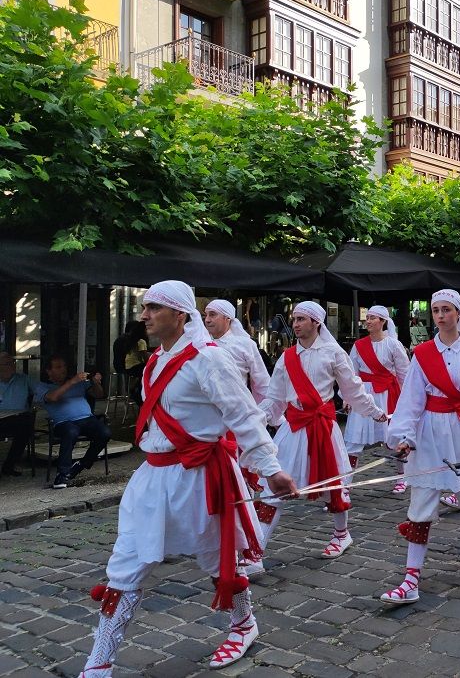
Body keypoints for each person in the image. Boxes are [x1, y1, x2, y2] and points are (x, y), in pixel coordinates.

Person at [78, 281, 298, 675]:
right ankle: (98, 665)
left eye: (153, 308)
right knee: (125, 565)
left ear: (180, 315)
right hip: (153, 476)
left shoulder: (209, 359)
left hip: (199, 478)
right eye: (144, 307)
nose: (143, 315)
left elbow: (244, 416)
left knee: (218, 559)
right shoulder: (154, 361)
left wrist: (272, 470)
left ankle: (244, 624)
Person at [380, 289, 460, 605]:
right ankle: (410, 579)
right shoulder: (422, 353)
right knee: (421, 505)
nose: (439, 315)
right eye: (435, 310)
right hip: (429, 434)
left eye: (446, 310)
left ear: (457, 314)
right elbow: (411, 398)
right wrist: (403, 437)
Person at [252, 302, 387, 570]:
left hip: (323, 429)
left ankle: (342, 534)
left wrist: (376, 413)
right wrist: (251, 421)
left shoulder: (333, 353)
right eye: (294, 319)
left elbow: (352, 390)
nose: (296, 324)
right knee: (272, 490)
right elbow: (274, 399)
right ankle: (255, 554)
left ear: (316, 323)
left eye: (301, 319)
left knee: (332, 485)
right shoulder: (286, 357)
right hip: (292, 430)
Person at [344, 306, 409, 493]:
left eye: (373, 318)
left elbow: (404, 373)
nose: (369, 321)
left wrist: (407, 400)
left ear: (382, 322)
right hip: (363, 394)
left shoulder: (393, 345)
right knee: (354, 441)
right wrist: (348, 397)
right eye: (368, 318)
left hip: (388, 394)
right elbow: (350, 373)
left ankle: (401, 477)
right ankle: (345, 484)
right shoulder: (359, 345)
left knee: (393, 437)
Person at [35, 355, 110, 489]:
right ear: (48, 371)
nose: (63, 370)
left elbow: (99, 395)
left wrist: (95, 381)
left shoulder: (78, 383)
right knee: (71, 431)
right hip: (63, 423)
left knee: (105, 432)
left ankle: (82, 464)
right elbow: (53, 397)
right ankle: (62, 474)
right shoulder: (43, 386)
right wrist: (72, 382)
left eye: (64, 366)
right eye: (58, 367)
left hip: (87, 419)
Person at [204, 300, 270, 404]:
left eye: (212, 315)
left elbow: (261, 382)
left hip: (237, 408)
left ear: (227, 318)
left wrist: (266, 412)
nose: (207, 320)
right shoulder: (200, 344)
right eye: (206, 315)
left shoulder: (245, 344)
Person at [0, 352, 33, 477]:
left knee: (26, 427)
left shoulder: (23, 379)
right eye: (7, 364)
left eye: (12, 363)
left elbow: (41, 390)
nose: (12, 366)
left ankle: (9, 465)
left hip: (17, 419)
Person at [112, 321, 149, 404]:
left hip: (122, 367)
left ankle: (135, 390)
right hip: (129, 368)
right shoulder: (140, 341)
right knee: (148, 371)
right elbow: (144, 357)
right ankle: (139, 392)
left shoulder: (123, 339)